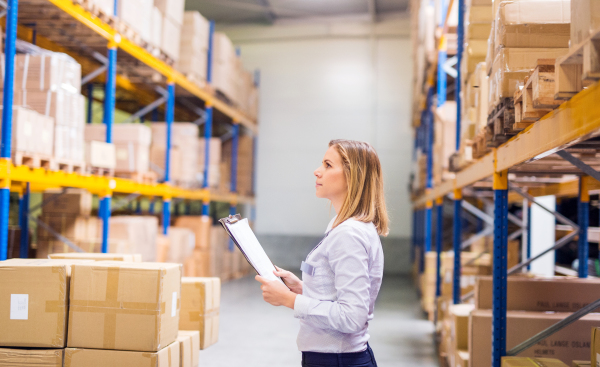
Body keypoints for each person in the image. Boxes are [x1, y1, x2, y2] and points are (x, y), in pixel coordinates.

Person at [255, 139, 388, 367]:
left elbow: (352, 316)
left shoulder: (349, 234)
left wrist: (290, 299)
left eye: (328, 165)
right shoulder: (341, 224)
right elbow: (339, 294)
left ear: (352, 176)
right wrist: (303, 288)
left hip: (338, 359)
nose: (317, 172)